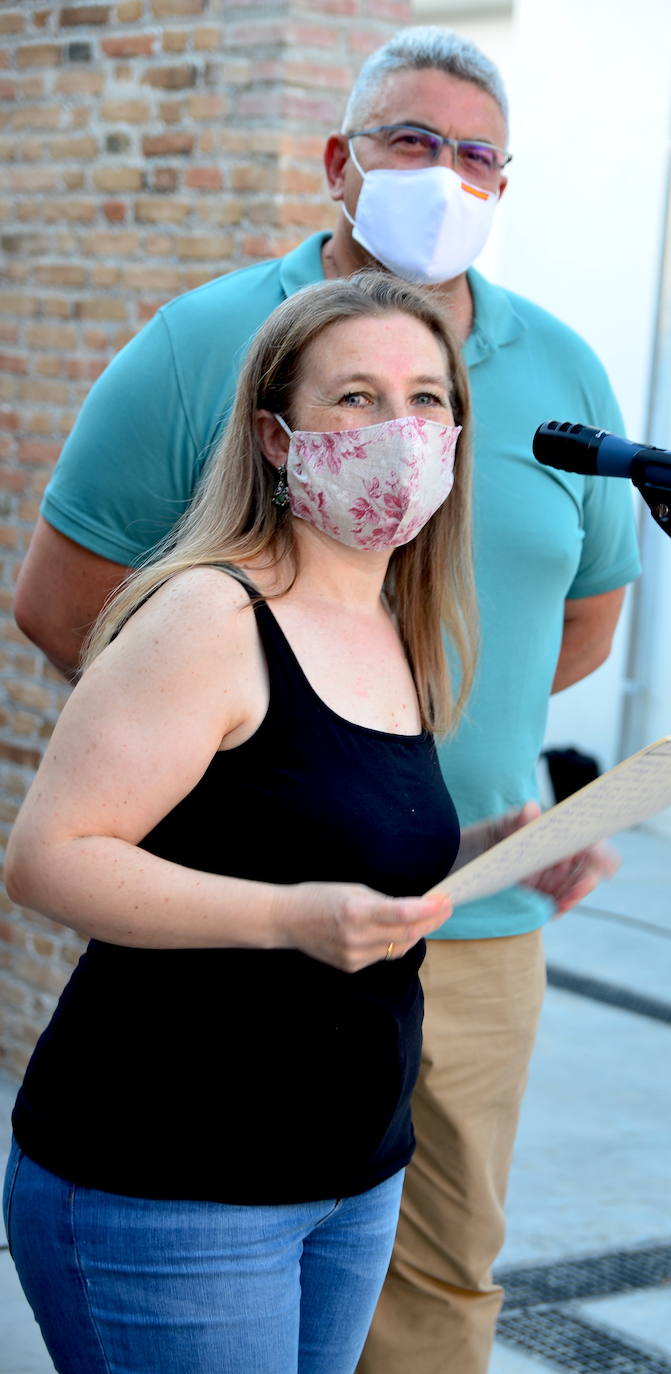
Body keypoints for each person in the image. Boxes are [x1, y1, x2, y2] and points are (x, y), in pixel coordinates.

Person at [12, 27, 640, 1372]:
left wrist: (470, 845)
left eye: (477, 154)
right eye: (411, 141)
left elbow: (579, 624)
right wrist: (244, 777)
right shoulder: (209, 531)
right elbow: (66, 635)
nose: (397, 430)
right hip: (200, 1100)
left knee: (440, 1282)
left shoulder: (404, 605)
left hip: (427, 966)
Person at [2, 271, 491, 1373]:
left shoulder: (392, 620)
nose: (398, 432)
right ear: (277, 437)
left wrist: (504, 848)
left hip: (349, 1172)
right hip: (173, 1179)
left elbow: (319, 840)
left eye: (424, 399)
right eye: (355, 399)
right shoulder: (211, 615)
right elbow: (50, 859)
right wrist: (291, 920)